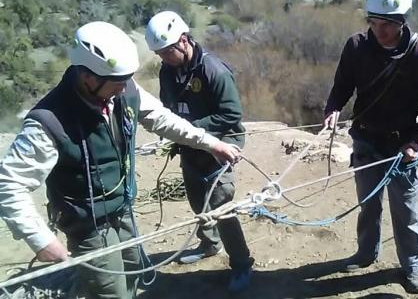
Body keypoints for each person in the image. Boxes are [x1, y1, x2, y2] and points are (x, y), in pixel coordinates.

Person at [0, 21, 242, 299]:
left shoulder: (123, 89)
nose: (123, 87)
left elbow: (161, 118)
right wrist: (40, 240)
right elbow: (10, 184)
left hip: (122, 210)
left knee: (135, 275)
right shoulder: (48, 122)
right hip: (87, 224)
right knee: (110, 291)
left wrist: (210, 143)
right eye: (117, 82)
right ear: (87, 76)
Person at [323, 0, 418, 294]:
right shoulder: (356, 47)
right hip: (366, 139)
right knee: (368, 203)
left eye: (389, 23)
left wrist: (417, 141)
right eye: (374, 21)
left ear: (403, 19)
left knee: (405, 210)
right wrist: (333, 107)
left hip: (401, 146)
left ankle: (411, 264)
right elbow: (342, 86)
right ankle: (367, 252)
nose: (380, 30)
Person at [145, 11, 253, 292]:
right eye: (159, 54)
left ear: (183, 41)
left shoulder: (213, 70)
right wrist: (175, 133)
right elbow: (168, 107)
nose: (163, 58)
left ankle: (242, 264)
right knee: (197, 201)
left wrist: (191, 128)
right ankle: (209, 244)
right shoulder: (168, 71)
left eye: (167, 52)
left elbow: (231, 114)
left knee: (221, 207)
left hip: (221, 147)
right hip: (190, 147)